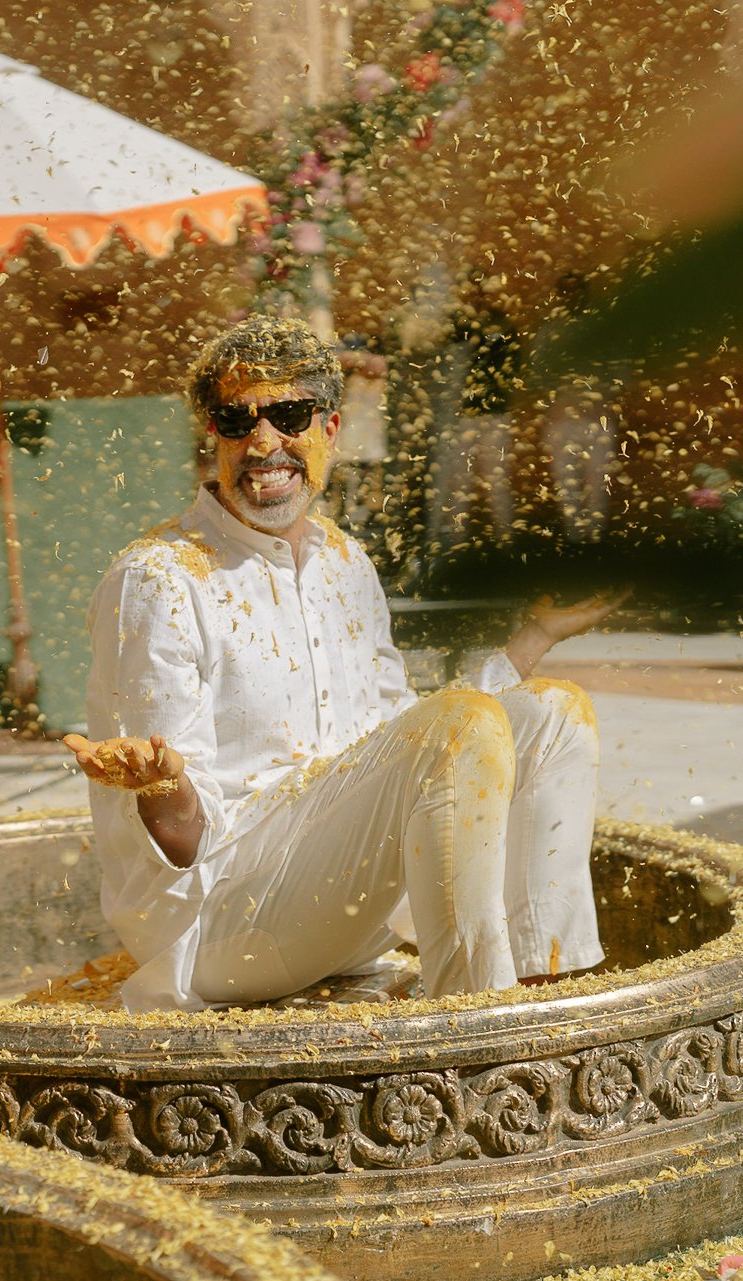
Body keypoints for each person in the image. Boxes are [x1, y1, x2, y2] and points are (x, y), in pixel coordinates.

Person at [65, 316, 619, 1013]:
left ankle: (539, 1001)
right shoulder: (160, 578)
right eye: (237, 421)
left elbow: (409, 739)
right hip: (223, 923)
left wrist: (534, 635)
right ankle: (474, 1027)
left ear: (330, 428)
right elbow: (180, 846)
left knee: (553, 711)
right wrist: (162, 788)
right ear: (214, 438)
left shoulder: (343, 561)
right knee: (456, 725)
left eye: (288, 415)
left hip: (335, 910)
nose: (263, 442)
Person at [425, 271, 519, 549]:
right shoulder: (459, 324)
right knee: (459, 481)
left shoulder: (500, 324)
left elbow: (513, 368)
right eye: (471, 289)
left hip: (495, 414)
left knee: (497, 479)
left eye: (480, 288)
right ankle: (456, 539)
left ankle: (506, 538)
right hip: (463, 414)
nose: (476, 294)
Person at [536, 273, 620, 538]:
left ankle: (593, 537)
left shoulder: (603, 331)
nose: (573, 297)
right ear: (561, 296)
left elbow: (619, 374)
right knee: (567, 483)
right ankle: (574, 535)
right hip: (563, 419)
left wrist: (603, 399)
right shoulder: (549, 333)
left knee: (597, 482)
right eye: (567, 292)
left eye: (577, 291)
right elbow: (537, 377)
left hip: (596, 419)